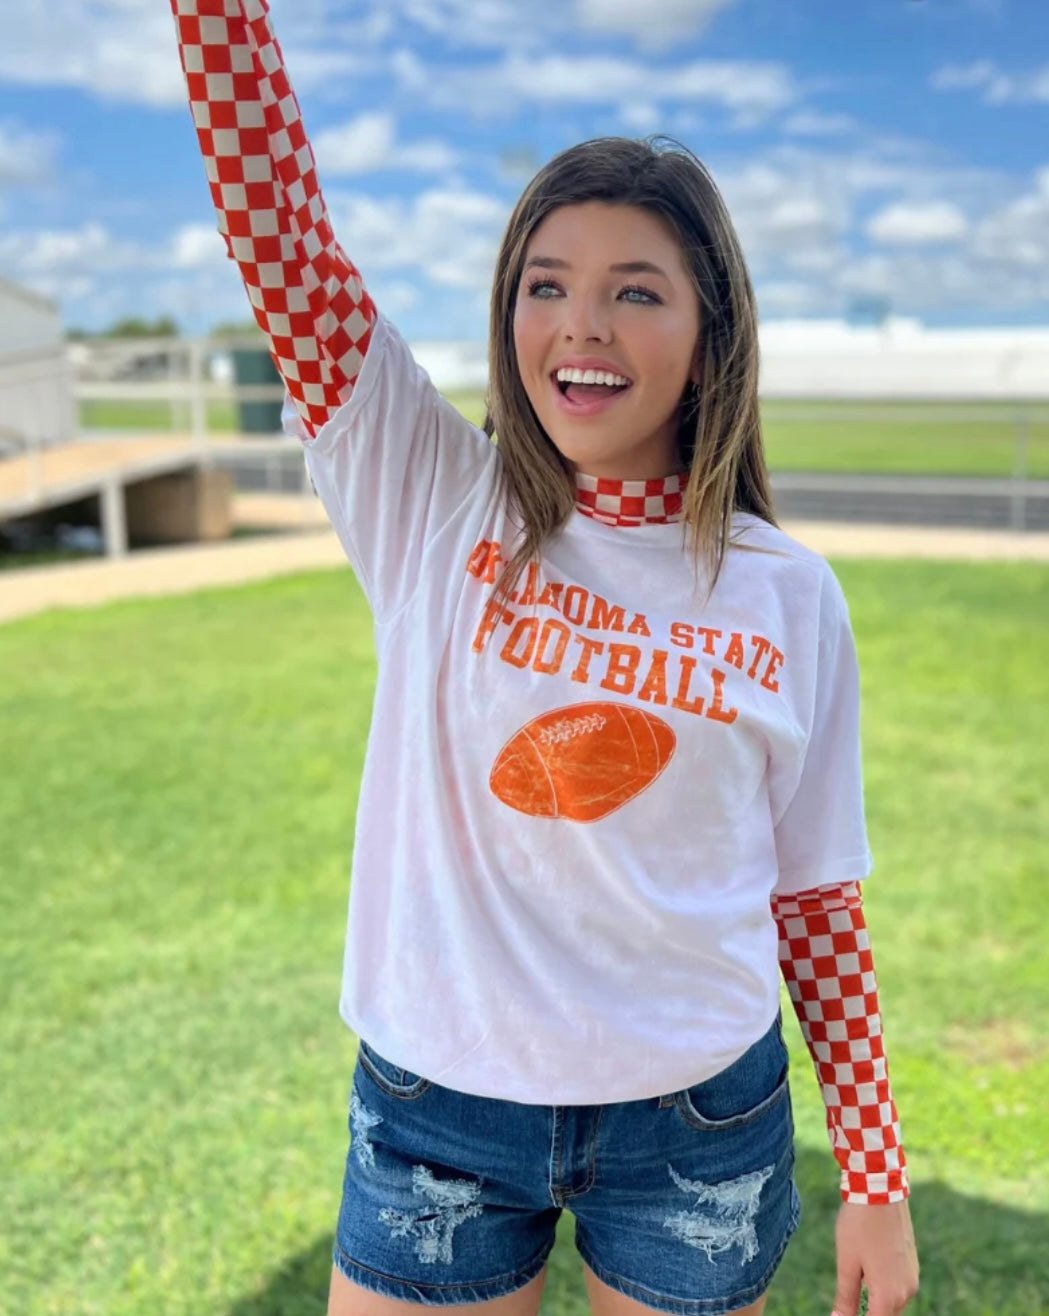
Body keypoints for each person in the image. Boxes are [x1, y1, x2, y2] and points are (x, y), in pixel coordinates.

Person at [169, 4, 920, 1315]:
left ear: (709, 335)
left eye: (637, 292)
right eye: (546, 286)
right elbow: (274, 221)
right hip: (437, 1104)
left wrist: (875, 1174)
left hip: (692, 1118)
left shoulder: (785, 592)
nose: (582, 328)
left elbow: (814, 900)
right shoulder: (427, 491)